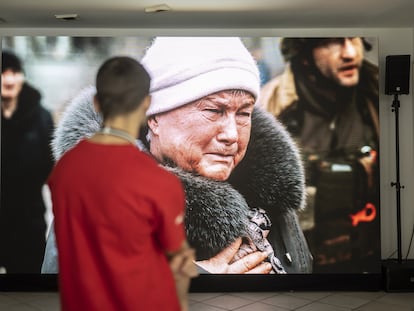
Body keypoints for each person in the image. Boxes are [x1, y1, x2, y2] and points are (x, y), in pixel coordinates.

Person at [43, 37, 313, 275]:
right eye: (213, 111)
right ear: (154, 118)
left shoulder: (273, 200)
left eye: (243, 113)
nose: (232, 134)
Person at [49, 56, 198, 311]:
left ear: (96, 103)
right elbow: (179, 264)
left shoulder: (63, 171)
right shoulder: (160, 182)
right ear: (147, 103)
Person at [258, 38, 380, 273]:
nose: (350, 53)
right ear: (303, 53)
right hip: (307, 262)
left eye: (354, 38)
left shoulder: (374, 92)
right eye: (332, 42)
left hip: (367, 254)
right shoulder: (269, 105)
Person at [0, 50, 54, 273]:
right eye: (3, 72)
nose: (9, 79)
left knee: (28, 287)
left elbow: (51, 166)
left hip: (27, 219)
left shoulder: (41, 116)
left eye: (15, 72)